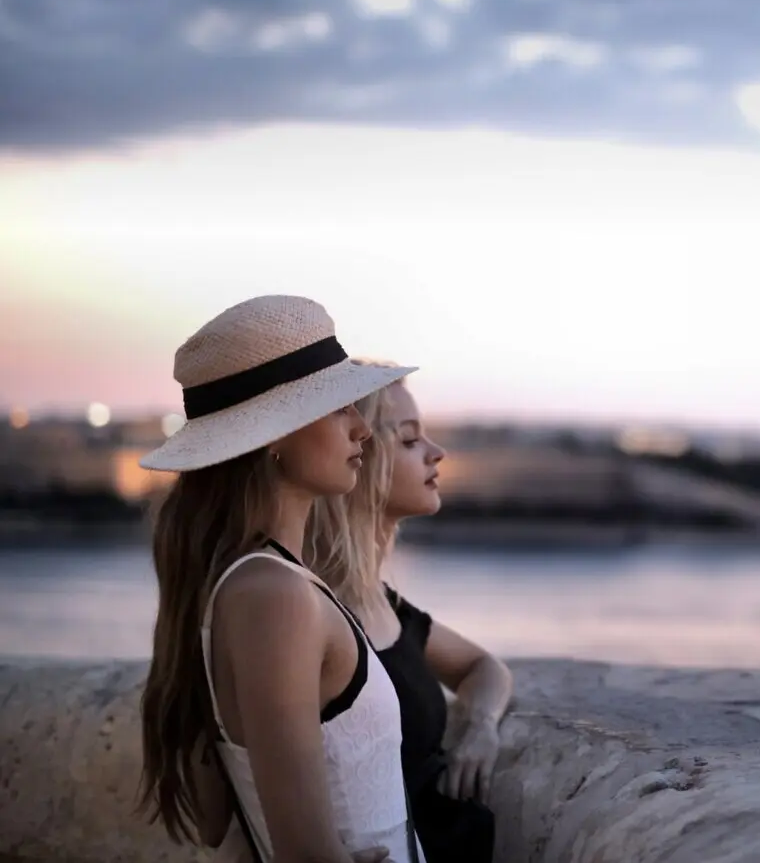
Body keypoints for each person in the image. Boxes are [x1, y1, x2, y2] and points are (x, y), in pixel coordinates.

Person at [136, 295, 423, 863]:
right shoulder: (274, 598)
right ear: (273, 434)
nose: (362, 429)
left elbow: (220, 816)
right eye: (339, 408)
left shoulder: (264, 586)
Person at [306, 368, 513, 863]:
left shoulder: (380, 601)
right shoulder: (315, 610)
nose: (435, 452)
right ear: (357, 453)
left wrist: (481, 725)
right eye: (409, 439)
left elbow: (484, 669)